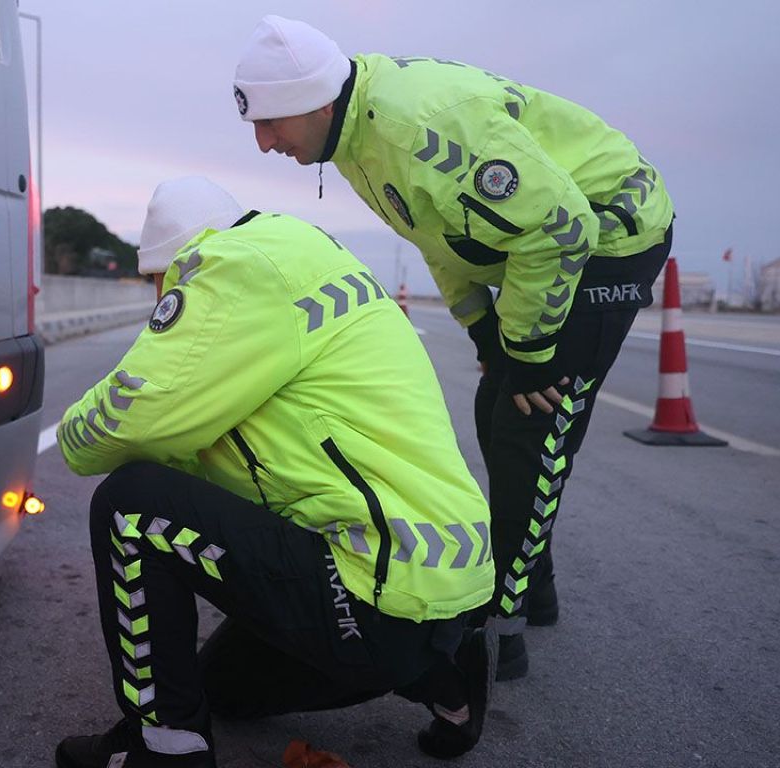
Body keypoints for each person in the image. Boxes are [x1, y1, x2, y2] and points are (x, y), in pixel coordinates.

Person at [232, 16, 674, 680]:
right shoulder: (356, 139)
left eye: (270, 123)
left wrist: (529, 351)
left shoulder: (413, 125)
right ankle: (536, 584)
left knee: (529, 422)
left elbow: (561, 226)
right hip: (547, 245)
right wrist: (481, 331)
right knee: (492, 405)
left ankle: (504, 626)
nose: (264, 142)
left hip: (609, 235)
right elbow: (436, 237)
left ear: (318, 102)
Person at [54, 176, 498, 767]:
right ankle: (442, 674)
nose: (154, 298)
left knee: (130, 507)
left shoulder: (230, 266)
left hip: (375, 587)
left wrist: (68, 434)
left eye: (153, 282)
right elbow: (215, 464)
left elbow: (127, 418)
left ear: (171, 266)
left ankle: (162, 753)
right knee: (222, 689)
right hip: (439, 580)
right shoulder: (302, 263)